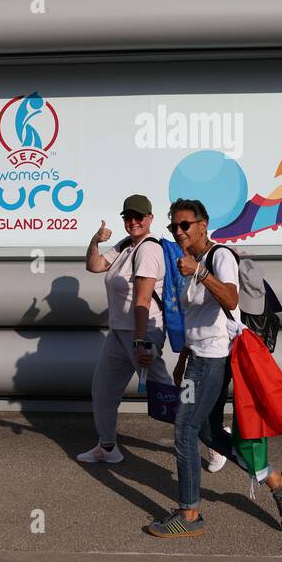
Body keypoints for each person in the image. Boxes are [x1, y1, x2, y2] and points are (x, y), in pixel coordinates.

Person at [143, 198, 282, 537]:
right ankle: (276, 481)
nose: (179, 231)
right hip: (196, 358)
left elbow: (231, 299)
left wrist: (198, 272)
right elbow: (195, 318)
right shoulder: (190, 263)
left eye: (185, 224)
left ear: (203, 224)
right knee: (206, 432)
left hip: (213, 360)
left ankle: (190, 514)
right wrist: (182, 359)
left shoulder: (219, 257)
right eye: (174, 227)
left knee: (184, 430)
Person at [76, 193, 173, 464]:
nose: (133, 222)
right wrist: (95, 241)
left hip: (141, 334)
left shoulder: (148, 249)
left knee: (165, 397)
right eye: (128, 217)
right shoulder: (124, 246)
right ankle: (107, 447)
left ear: (150, 218)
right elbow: (94, 266)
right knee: (104, 391)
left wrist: (141, 342)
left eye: (139, 217)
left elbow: (143, 299)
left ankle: (213, 441)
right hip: (119, 333)